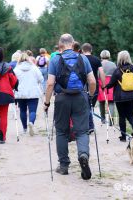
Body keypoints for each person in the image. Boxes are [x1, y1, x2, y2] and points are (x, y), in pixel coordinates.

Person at [44, 33, 96, 180]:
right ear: (73, 44)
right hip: (80, 97)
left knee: (61, 132)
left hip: (62, 99)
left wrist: (47, 102)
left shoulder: (55, 60)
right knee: (82, 131)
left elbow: (50, 84)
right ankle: (83, 155)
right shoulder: (83, 58)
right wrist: (90, 96)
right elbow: (92, 82)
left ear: (60, 46)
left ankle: (64, 166)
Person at [105, 50, 133, 142]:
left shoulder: (117, 70)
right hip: (132, 96)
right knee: (130, 115)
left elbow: (111, 83)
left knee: (122, 116)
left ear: (119, 58)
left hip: (120, 97)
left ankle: (123, 137)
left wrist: (105, 87)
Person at [14, 52, 43, 136]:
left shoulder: (16, 69)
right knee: (32, 110)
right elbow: (41, 79)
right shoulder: (34, 68)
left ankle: (24, 128)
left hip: (20, 93)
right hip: (33, 93)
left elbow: (13, 81)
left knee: (22, 110)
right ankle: (31, 122)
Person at [81, 43, 105, 133]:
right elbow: (102, 73)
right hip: (94, 85)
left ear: (82, 50)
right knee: (90, 106)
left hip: (83, 85)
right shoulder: (96, 59)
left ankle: (89, 125)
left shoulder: (81, 59)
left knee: (85, 107)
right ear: (91, 50)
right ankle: (89, 125)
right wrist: (103, 84)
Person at [97, 50, 117, 125]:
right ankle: (111, 121)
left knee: (101, 102)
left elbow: (97, 75)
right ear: (109, 56)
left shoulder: (99, 64)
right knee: (111, 102)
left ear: (101, 56)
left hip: (101, 84)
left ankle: (103, 119)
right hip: (111, 84)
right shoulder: (113, 64)